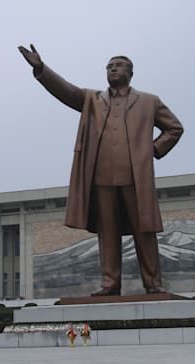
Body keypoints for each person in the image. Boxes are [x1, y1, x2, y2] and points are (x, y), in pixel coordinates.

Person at [18, 44, 184, 296]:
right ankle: (109, 284)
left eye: (118, 65)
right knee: (107, 232)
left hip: (135, 177)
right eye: (109, 66)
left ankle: (152, 283)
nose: (112, 69)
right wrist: (41, 68)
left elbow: (174, 128)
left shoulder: (149, 101)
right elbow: (66, 91)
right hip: (101, 177)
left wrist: (152, 149)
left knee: (144, 230)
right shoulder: (92, 100)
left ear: (130, 72)